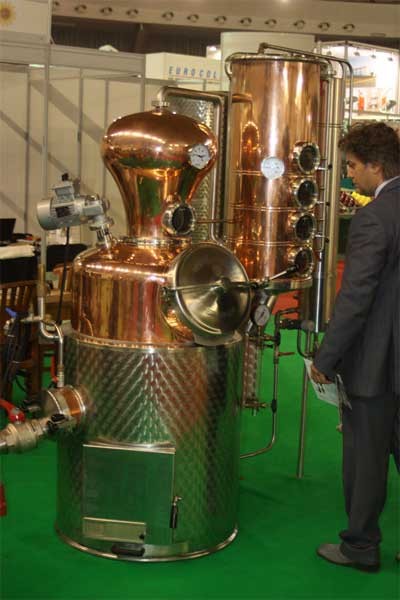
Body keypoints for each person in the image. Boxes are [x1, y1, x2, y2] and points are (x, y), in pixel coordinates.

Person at [310, 121, 400, 572]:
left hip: (376, 364)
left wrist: (325, 359)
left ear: (375, 166)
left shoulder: (374, 217)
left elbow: (356, 297)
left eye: (352, 166)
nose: (349, 175)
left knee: (365, 460)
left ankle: (361, 546)